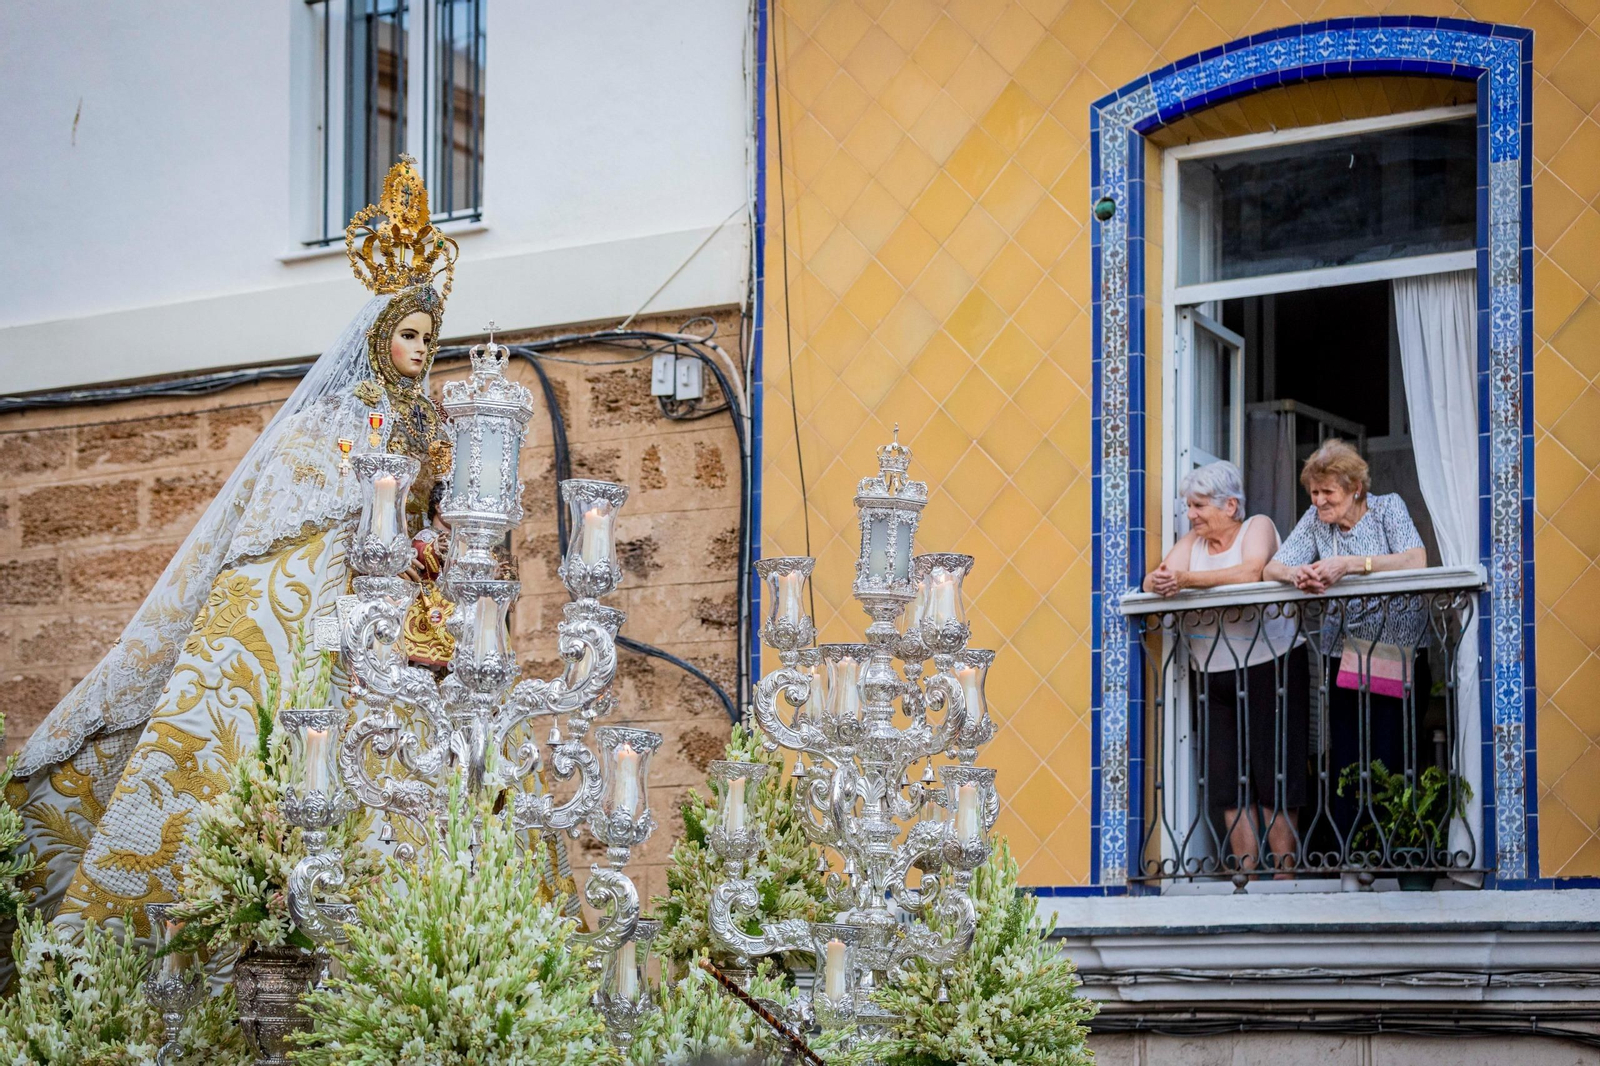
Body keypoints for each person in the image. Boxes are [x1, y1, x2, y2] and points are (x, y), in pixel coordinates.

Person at [9, 159, 460, 930]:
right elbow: (305, 498)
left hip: (403, 623)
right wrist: (369, 517)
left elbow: (434, 520)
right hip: (328, 609)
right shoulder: (329, 422)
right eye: (409, 334)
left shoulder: (436, 430)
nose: (421, 348)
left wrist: (430, 541)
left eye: (429, 335)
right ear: (381, 338)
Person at [1143, 460, 1308, 877]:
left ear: (1230, 505)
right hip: (1212, 674)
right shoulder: (1192, 544)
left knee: (1275, 777)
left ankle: (1286, 880)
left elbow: (1251, 572)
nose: (1190, 515)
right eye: (1188, 506)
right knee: (1229, 780)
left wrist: (1185, 581)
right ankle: (1246, 878)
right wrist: (1160, 583)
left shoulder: (1257, 527)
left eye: (1198, 506)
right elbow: (1157, 578)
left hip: (1271, 668)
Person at [1263, 438, 1429, 851]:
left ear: (1355, 487)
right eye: (1314, 492)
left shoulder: (1387, 507)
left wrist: (1352, 565)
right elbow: (1271, 567)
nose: (1319, 501)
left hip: (1397, 650)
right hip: (1344, 654)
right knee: (1348, 759)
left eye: (1328, 493)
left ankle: (1396, 852)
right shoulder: (1315, 520)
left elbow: (1415, 559)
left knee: (1392, 754)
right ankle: (1352, 854)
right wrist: (1298, 575)